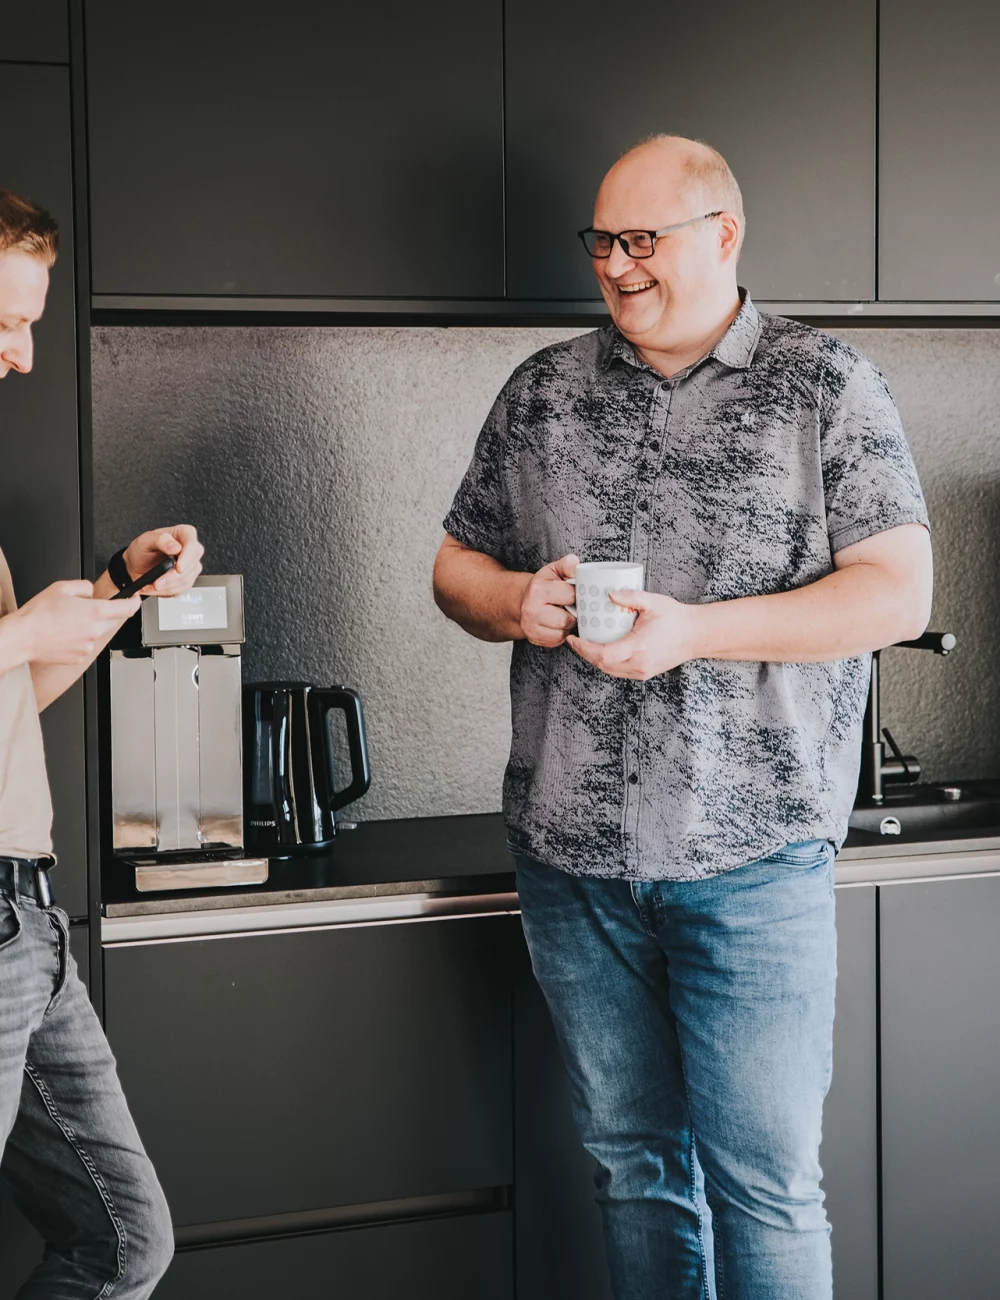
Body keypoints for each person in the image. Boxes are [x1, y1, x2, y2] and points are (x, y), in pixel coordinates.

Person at [434, 135, 932, 1300]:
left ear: (724, 233)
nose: (615, 265)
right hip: (571, 857)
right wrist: (516, 600)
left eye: (640, 240)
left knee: (763, 1182)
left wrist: (694, 630)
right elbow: (454, 568)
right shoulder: (543, 391)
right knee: (632, 1168)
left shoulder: (825, 385)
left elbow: (898, 593)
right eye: (600, 241)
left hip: (750, 857)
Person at [0, 186, 205, 1297]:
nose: (24, 357)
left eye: (31, 321)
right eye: (4, 323)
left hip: (28, 917)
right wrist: (24, 627)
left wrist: (114, 595)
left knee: (125, 1240)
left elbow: (15, 691)